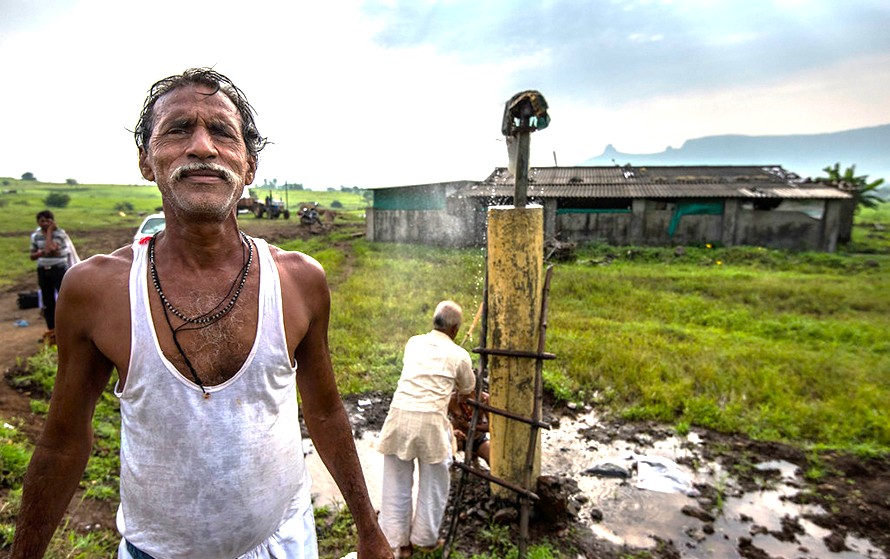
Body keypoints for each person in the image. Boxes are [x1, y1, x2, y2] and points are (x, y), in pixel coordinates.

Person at [12, 68, 391, 559]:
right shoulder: (96, 290)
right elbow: (62, 444)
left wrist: (369, 528)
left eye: (221, 131)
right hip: (156, 551)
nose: (202, 147)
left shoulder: (300, 280)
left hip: (284, 542)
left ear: (249, 166)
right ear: (148, 160)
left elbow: (325, 411)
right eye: (177, 129)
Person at [376, 301, 476, 558]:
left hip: (399, 417)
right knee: (435, 483)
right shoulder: (459, 354)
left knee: (395, 482)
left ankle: (399, 542)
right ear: (454, 329)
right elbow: (467, 389)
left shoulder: (414, 342)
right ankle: (425, 538)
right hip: (431, 423)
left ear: (435, 322)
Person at [29, 210, 76, 345]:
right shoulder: (36, 236)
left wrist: (49, 233)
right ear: (38, 222)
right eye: (42, 221)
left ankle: (67, 331)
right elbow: (32, 256)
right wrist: (42, 252)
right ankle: (52, 332)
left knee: (64, 300)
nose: (44, 223)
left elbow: (52, 251)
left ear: (52, 222)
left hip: (58, 269)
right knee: (48, 302)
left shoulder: (60, 234)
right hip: (43, 270)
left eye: (48, 221)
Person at [448, 389, 490, 467]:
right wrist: (452, 432)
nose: (460, 397)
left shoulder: (484, 399)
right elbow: (440, 422)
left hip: (477, 438)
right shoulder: (451, 400)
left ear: (473, 391)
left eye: (464, 394)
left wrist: (470, 426)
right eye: (458, 392)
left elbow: (492, 427)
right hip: (458, 438)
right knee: (445, 455)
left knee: (491, 458)